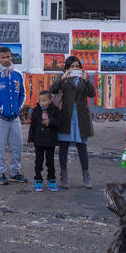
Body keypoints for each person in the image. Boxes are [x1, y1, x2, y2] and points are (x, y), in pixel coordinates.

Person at [51, 54, 96, 189]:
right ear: (67, 68)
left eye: (77, 66)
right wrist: (63, 77)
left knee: (82, 148)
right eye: (72, 66)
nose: (75, 69)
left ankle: (86, 176)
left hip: (81, 118)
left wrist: (87, 80)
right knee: (63, 148)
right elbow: (52, 90)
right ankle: (63, 177)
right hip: (66, 117)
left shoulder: (84, 79)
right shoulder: (64, 79)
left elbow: (92, 94)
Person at [0, 45, 26, 185]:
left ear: (11, 57)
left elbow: (23, 94)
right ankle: (1, 173)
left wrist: (18, 107)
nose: (6, 60)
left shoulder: (18, 74)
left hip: (14, 117)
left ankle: (15, 172)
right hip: (0, 117)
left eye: (8, 57)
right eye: (3, 57)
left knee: (18, 146)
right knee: (0, 146)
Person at [28, 89, 62, 191]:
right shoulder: (36, 111)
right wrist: (31, 139)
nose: (42, 102)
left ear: (50, 101)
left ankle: (51, 180)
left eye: (44, 100)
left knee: (50, 162)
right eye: (40, 100)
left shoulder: (55, 110)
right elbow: (32, 126)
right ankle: (38, 180)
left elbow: (59, 123)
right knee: (38, 162)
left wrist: (50, 121)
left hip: (50, 141)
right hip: (39, 141)